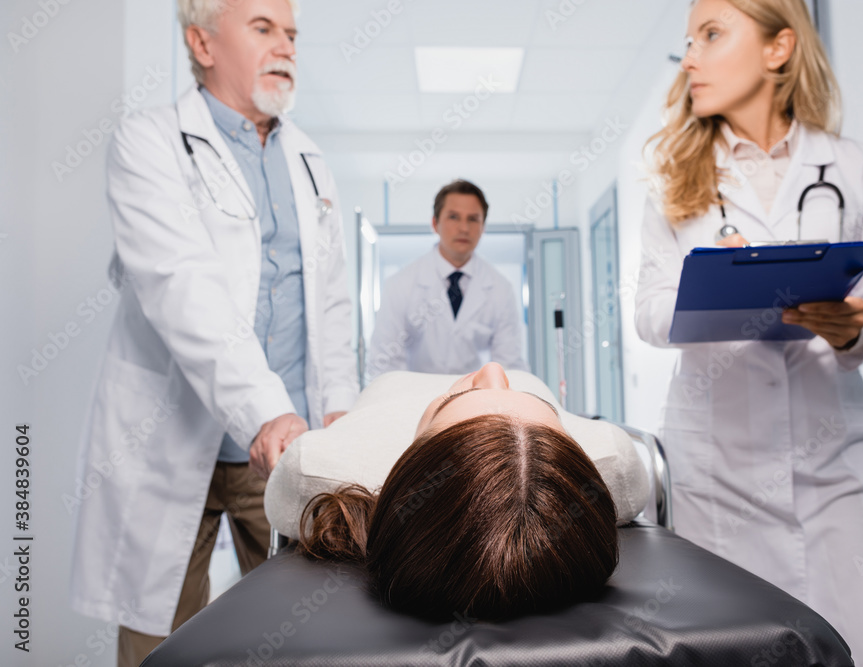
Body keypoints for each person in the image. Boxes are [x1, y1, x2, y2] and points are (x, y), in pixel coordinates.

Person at [68, 1, 358, 664]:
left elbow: (332, 301)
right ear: (202, 42)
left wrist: (337, 404)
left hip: (286, 445)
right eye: (262, 28)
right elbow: (183, 288)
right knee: (160, 641)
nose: (284, 45)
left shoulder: (309, 159)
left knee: (298, 633)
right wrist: (266, 410)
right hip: (174, 436)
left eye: (290, 33)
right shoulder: (149, 142)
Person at [634, 1, 863, 665]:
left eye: (711, 35)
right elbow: (647, 309)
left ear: (777, 48)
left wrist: (853, 329)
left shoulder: (852, 165)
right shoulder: (675, 181)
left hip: (834, 463)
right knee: (739, 647)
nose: (690, 57)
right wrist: (719, 292)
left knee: (861, 643)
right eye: (688, 40)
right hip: (720, 468)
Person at [264, 363, 650, 618]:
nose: (494, 370)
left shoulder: (315, 466)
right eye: (541, 406)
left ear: (408, 455)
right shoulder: (609, 460)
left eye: (453, 401)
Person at [367, 179, 528, 380]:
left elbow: (509, 364)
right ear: (435, 223)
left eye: (473, 219)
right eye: (453, 217)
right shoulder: (400, 284)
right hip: (414, 401)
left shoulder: (500, 288)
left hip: (473, 401)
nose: (464, 228)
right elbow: (386, 364)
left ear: (483, 226)